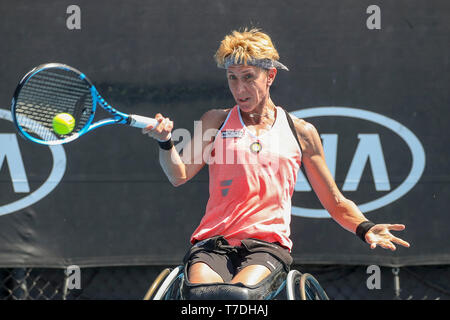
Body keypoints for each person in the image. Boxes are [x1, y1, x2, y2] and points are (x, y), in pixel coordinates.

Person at [142, 28, 410, 287]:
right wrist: (165, 142)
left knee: (239, 298)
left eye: (248, 77)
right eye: (232, 77)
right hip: (213, 244)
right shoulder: (215, 120)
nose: (239, 88)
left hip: (267, 248)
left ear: (270, 75)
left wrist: (365, 228)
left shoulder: (302, 132)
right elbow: (178, 175)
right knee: (204, 296)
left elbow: (335, 201)